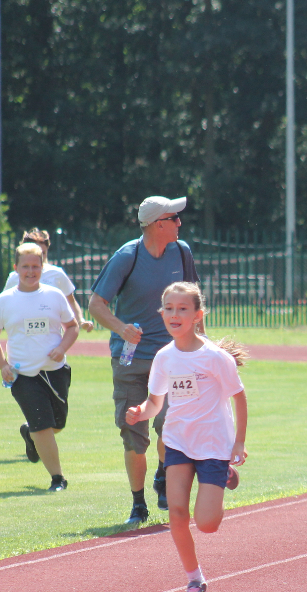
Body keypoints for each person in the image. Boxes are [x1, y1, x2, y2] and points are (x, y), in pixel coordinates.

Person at [126, 282, 247, 592]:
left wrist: (239, 444)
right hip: (178, 441)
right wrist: (141, 412)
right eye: (169, 308)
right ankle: (195, 579)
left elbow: (239, 397)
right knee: (177, 514)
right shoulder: (164, 358)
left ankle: (222, 474)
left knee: (207, 524)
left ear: (197, 315)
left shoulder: (216, 357)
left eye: (183, 309)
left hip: (213, 445)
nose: (175, 314)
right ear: (161, 313)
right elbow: (155, 402)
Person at [89, 196, 201, 524]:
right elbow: (96, 304)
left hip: (172, 359)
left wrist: (199, 345)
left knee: (171, 424)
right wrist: (122, 328)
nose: (180, 223)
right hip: (130, 361)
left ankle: (164, 475)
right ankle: (138, 504)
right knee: (134, 434)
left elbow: (194, 302)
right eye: (174, 218)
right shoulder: (128, 256)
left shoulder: (182, 252)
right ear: (157, 224)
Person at [0, 243, 79, 491]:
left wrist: (62, 349)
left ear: (42, 267)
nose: (30, 271)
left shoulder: (54, 295)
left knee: (57, 424)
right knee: (42, 425)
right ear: (15, 269)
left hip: (56, 371)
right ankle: (58, 478)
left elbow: (72, 327)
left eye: (35, 266)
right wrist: (2, 364)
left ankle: (30, 433)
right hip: (23, 374)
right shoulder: (4, 300)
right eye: (25, 266)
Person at [0, 229, 95, 336]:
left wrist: (81, 320)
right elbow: (0, 306)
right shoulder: (15, 277)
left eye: (43, 253)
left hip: (51, 340)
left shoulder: (56, 274)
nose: (38, 257)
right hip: (22, 337)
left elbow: (71, 301)